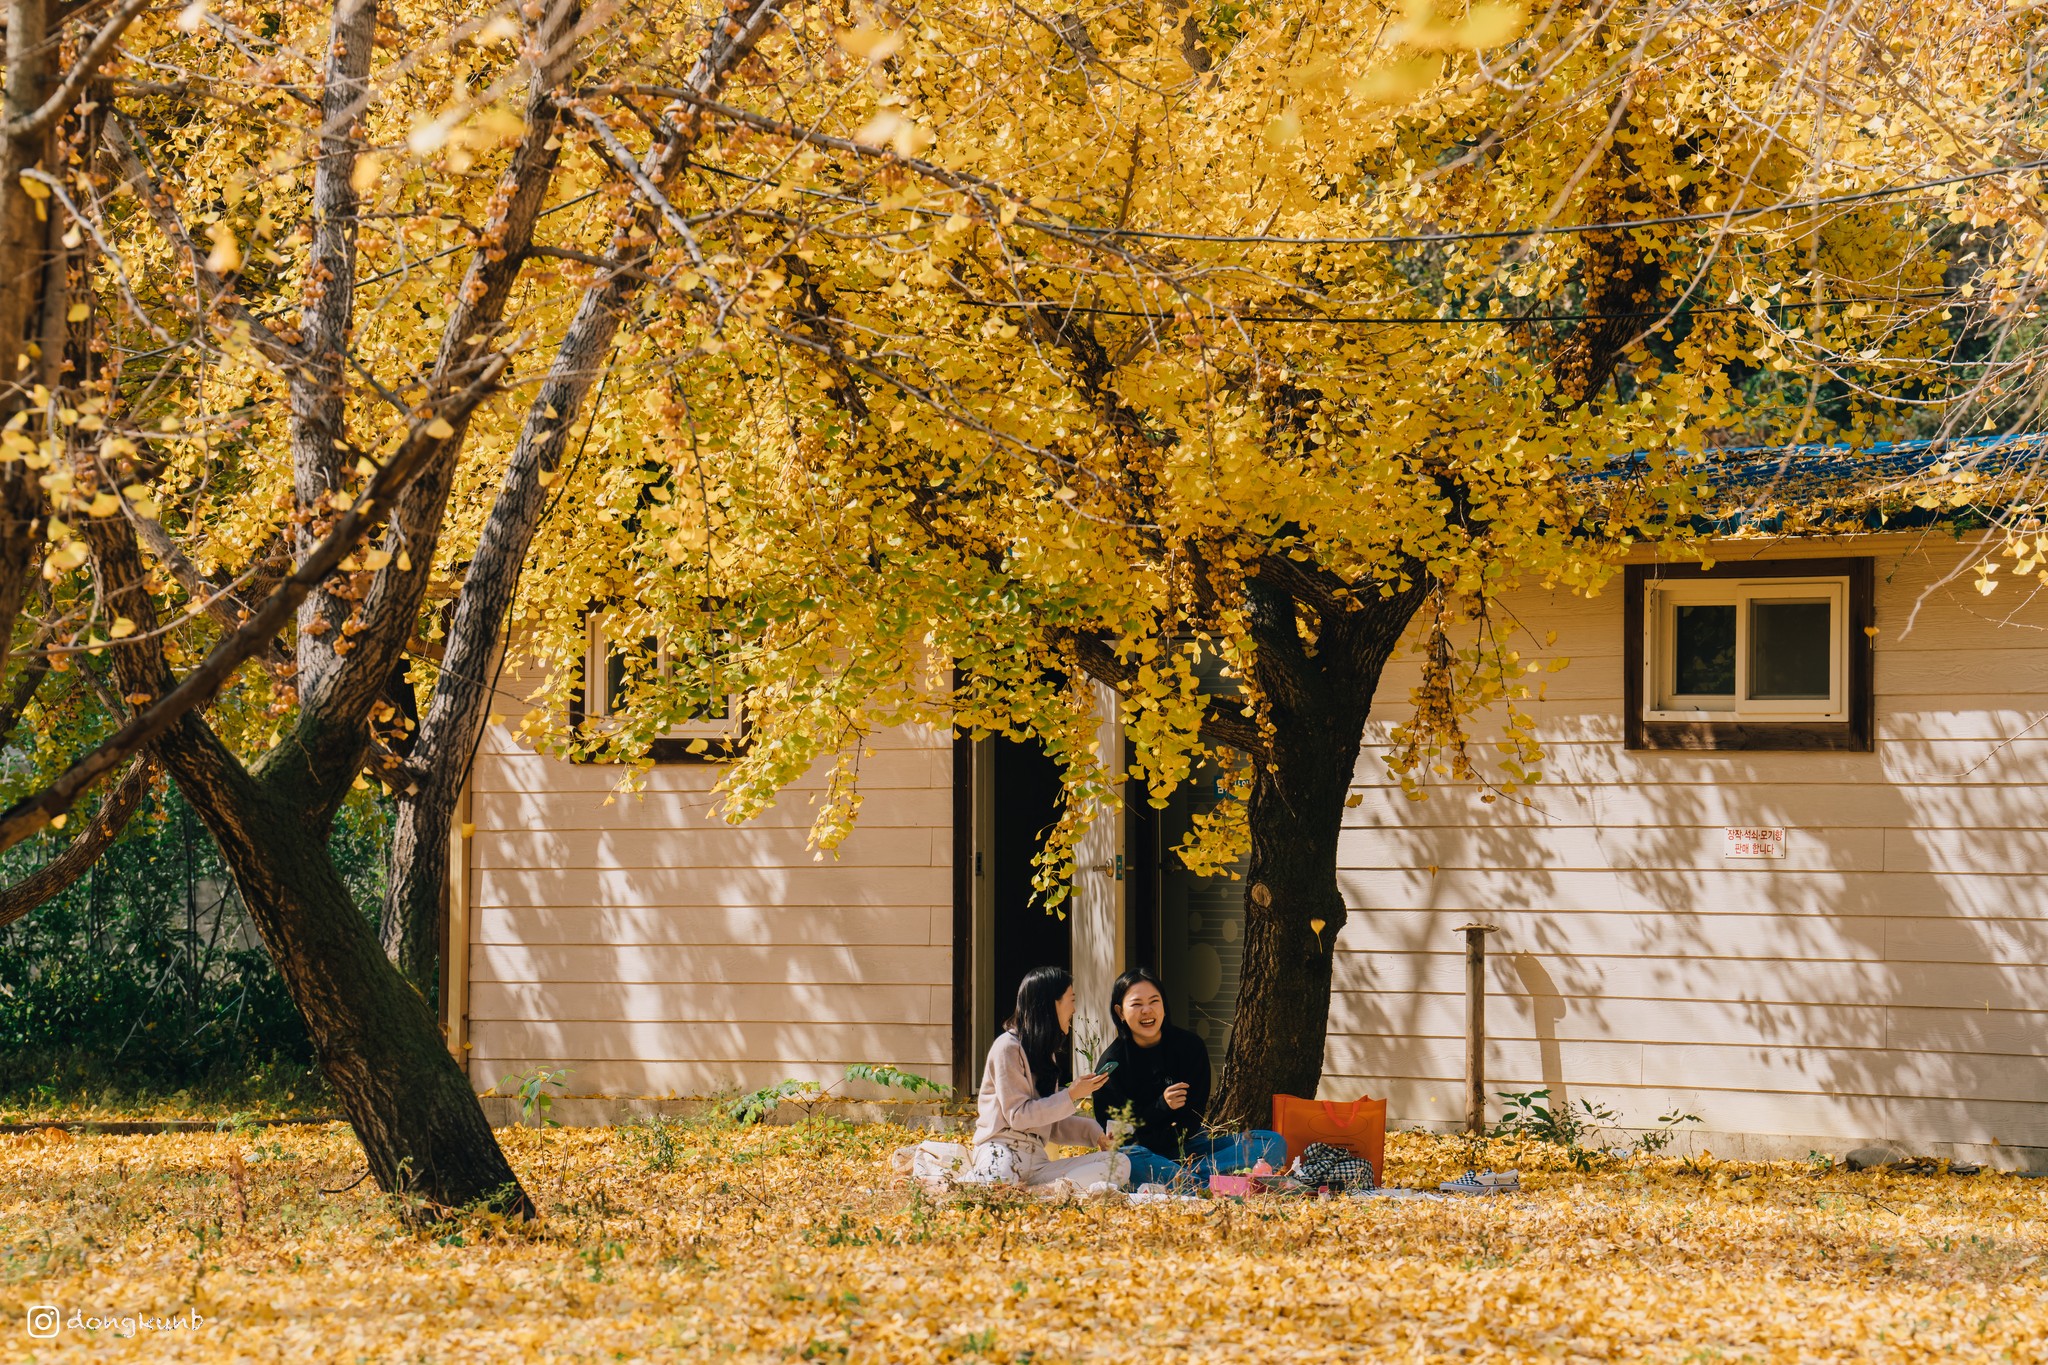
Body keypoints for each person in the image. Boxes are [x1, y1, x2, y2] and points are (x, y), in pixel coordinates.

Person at [1091, 967, 1287, 1188]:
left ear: (1164, 1005)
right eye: (1136, 1004)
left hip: (1189, 1149)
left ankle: (1183, 1179)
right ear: (1120, 1012)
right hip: (1139, 1153)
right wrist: (1160, 1107)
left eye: (1154, 1001)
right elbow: (1117, 1136)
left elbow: (1192, 1119)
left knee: (1272, 1143)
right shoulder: (1112, 1064)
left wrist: (1169, 1153)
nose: (1147, 1010)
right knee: (1125, 1160)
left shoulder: (1189, 1047)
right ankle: (1207, 1182)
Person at [960, 965, 1131, 1188]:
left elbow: (1050, 1123)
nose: (1074, 1009)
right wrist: (1071, 1095)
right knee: (999, 1181)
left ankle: (1037, 1194)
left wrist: (1095, 1134)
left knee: (1119, 1163)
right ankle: (1030, 1191)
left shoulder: (1046, 1056)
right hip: (1001, 1150)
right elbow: (1019, 1116)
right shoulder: (1007, 1048)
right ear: (1052, 1004)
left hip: (1037, 1164)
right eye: (1071, 1000)